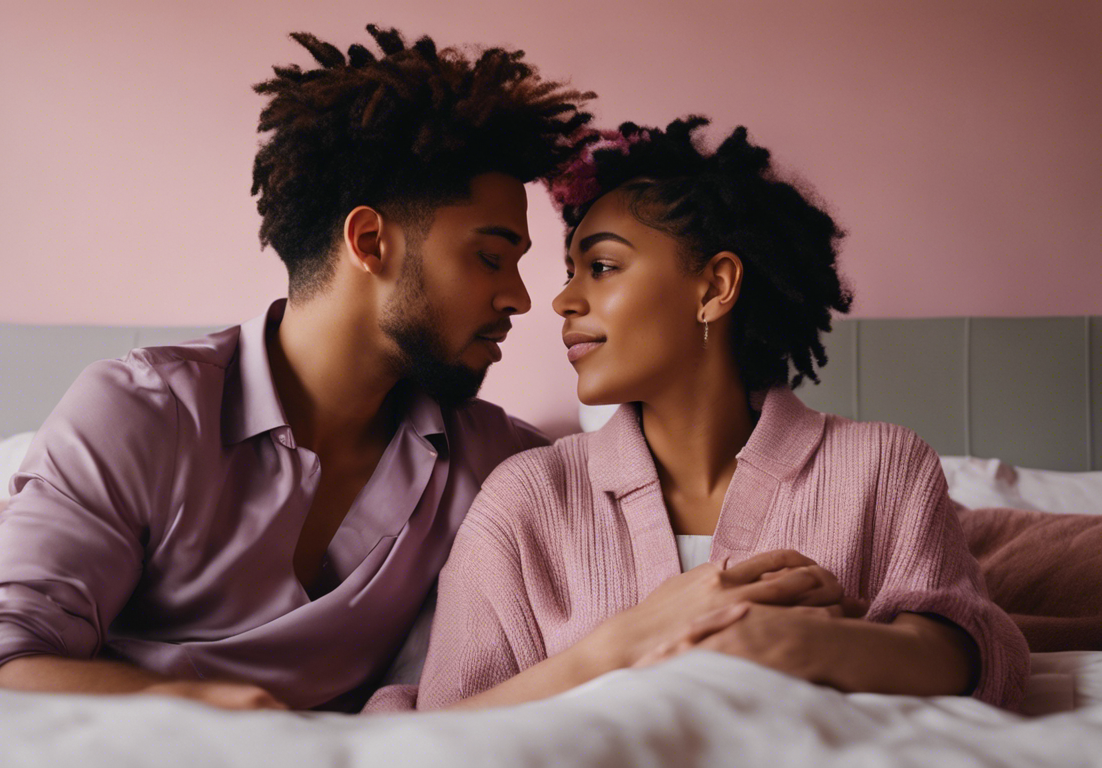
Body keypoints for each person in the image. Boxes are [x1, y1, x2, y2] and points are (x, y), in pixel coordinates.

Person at [0, 25, 595, 712]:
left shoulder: (493, 461)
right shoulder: (143, 413)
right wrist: (227, 715)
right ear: (370, 242)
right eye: (491, 257)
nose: (520, 298)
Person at [389, 117, 1029, 712]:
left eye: (602, 267)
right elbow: (442, 726)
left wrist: (784, 643)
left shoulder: (881, 466)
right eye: (571, 271)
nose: (562, 299)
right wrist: (629, 646)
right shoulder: (524, 500)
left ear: (716, 286)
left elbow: (969, 651)